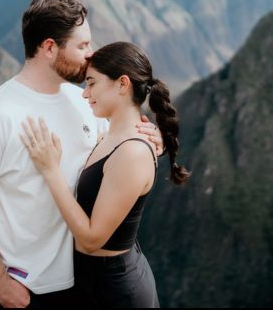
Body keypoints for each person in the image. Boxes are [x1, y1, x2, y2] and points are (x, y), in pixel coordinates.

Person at [0, 0, 163, 308]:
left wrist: (151, 136)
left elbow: (119, 152)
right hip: (27, 290)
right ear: (50, 47)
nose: (91, 54)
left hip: (84, 285)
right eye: (82, 46)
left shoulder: (84, 102)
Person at [20, 41, 189, 308]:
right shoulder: (108, 134)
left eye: (92, 83)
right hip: (92, 282)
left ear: (122, 84)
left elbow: (90, 239)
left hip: (116, 291)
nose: (85, 94)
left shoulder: (131, 152)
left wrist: (50, 172)